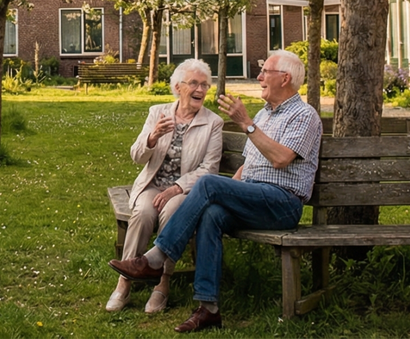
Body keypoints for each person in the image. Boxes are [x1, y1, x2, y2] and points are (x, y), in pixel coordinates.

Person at [108, 49, 321, 333]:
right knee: (211, 213)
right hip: (254, 198)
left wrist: (246, 124)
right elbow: (248, 167)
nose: (258, 77)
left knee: (208, 183)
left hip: (282, 203)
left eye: (264, 72)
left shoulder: (304, 116)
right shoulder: (266, 114)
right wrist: (229, 186)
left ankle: (156, 258)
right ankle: (208, 308)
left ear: (285, 78)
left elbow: (281, 158)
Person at [107, 58, 224, 314]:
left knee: (172, 212)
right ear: (178, 87)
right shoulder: (157, 112)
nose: (201, 90)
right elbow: (137, 156)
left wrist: (177, 188)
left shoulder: (213, 123)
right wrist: (152, 137)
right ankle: (125, 281)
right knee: (143, 213)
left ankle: (162, 283)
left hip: (185, 192)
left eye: (205, 85)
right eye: (194, 83)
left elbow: (209, 169)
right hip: (152, 185)